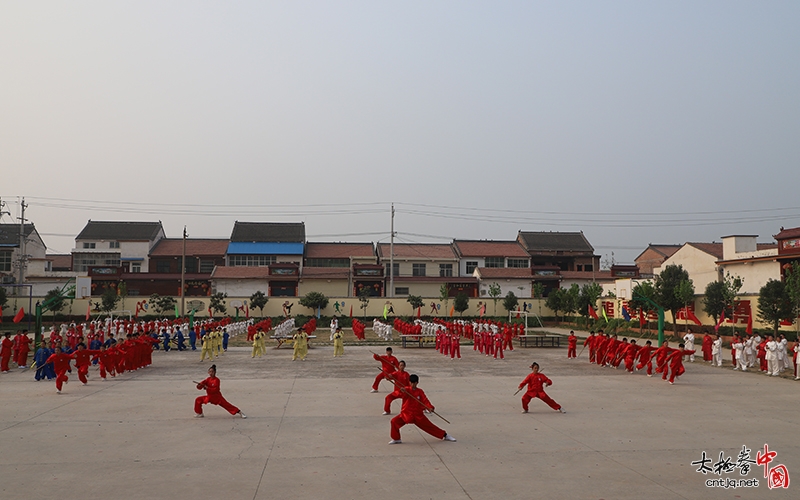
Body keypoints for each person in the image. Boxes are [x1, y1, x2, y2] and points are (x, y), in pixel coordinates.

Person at [388, 373, 456, 444]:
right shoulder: (406, 390)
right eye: (411, 383)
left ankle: (445, 435)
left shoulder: (420, 391)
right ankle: (396, 439)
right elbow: (399, 394)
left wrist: (430, 407)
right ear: (409, 382)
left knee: (430, 426)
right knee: (394, 421)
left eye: (414, 383)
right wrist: (401, 391)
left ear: (417, 383)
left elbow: (425, 400)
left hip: (418, 416)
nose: (413, 385)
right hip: (406, 414)